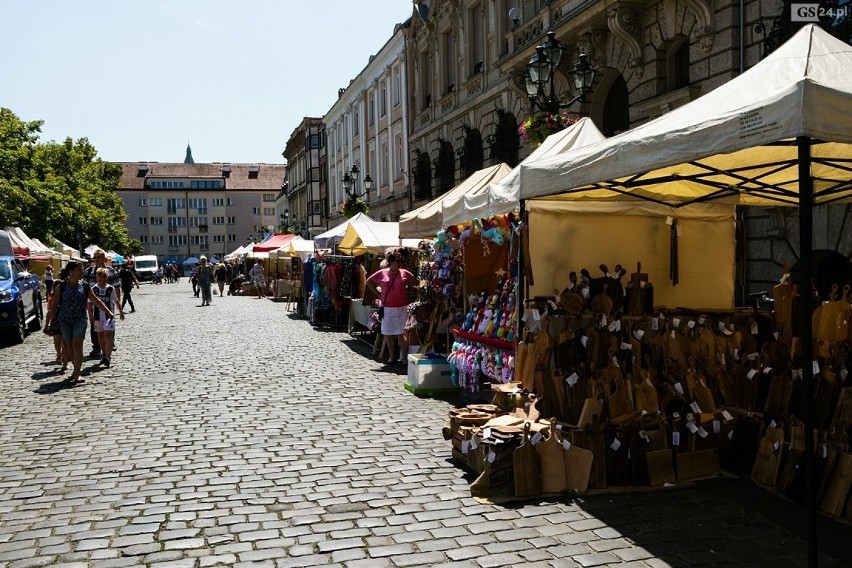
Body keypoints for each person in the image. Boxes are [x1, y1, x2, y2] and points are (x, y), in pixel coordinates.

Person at [44, 261, 116, 384]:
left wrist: (108, 311)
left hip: (80, 319)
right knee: (70, 346)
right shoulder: (61, 286)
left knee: (77, 344)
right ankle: (74, 369)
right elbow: (55, 304)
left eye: (82, 270)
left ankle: (77, 373)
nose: (82, 272)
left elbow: (95, 300)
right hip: (65, 320)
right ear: (71, 271)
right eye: (79, 270)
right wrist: (51, 322)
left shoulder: (85, 285)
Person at [365, 249, 414, 364]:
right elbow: (368, 281)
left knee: (403, 333)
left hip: (402, 307)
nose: (400, 263)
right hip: (388, 307)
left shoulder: (404, 272)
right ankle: (392, 357)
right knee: (388, 332)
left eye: (401, 261)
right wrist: (379, 294)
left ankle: (404, 357)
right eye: (398, 261)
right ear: (391, 262)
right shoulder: (382, 273)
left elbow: (416, 282)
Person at [84, 250, 121, 359]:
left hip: (108, 304)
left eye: (99, 257)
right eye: (95, 257)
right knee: (94, 326)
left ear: (104, 259)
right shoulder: (89, 271)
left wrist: (117, 303)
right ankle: (96, 347)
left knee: (109, 324)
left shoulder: (111, 271)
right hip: (93, 304)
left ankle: (109, 344)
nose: (96, 259)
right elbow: (84, 287)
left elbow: (117, 287)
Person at [90, 267, 125, 367]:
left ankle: (108, 357)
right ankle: (104, 353)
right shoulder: (94, 289)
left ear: (107, 279)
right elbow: (89, 303)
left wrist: (121, 312)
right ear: (97, 279)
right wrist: (90, 315)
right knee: (100, 336)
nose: (102, 282)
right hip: (97, 316)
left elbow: (116, 301)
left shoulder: (110, 289)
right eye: (100, 280)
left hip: (109, 316)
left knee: (108, 335)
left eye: (104, 280)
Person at [43, 266, 68, 371]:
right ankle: (59, 353)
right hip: (55, 322)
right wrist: (46, 325)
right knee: (57, 341)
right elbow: (49, 313)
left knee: (65, 342)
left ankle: (65, 362)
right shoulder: (51, 299)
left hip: (66, 320)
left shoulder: (67, 297)